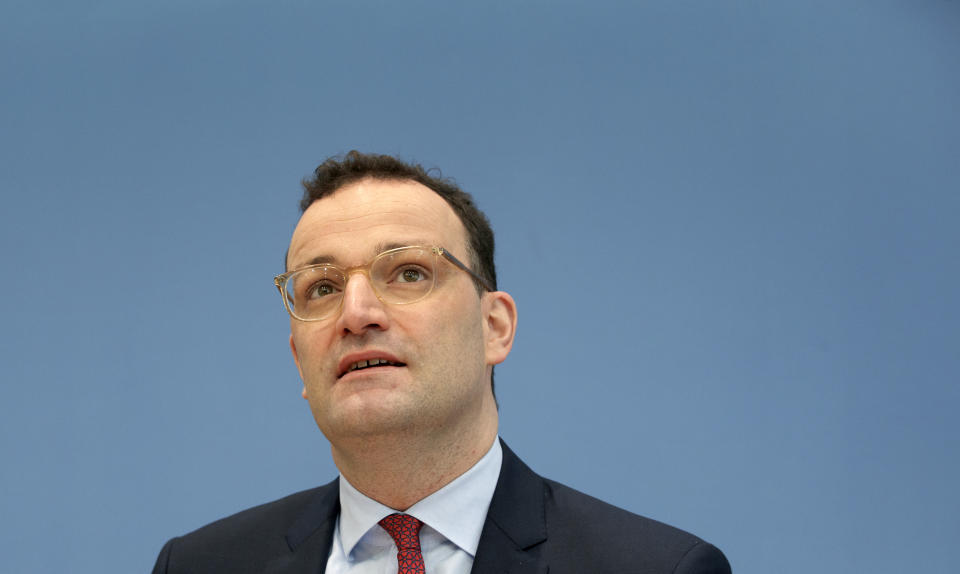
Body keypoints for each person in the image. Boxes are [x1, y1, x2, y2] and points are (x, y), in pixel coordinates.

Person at [152, 151, 731, 574]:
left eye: (408, 273)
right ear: (299, 360)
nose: (357, 313)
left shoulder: (658, 569)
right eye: (322, 288)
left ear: (494, 327)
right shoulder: (200, 565)